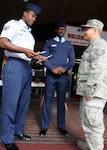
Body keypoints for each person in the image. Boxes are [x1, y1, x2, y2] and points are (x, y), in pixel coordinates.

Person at [0, 3, 46, 150]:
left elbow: (27, 54)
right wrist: (23, 50)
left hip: (26, 67)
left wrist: (36, 56)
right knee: (10, 102)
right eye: (33, 15)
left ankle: (18, 131)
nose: (34, 19)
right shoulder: (13, 25)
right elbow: (3, 42)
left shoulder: (30, 35)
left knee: (24, 102)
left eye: (35, 17)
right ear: (25, 13)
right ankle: (6, 137)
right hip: (14, 66)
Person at [39, 20, 75, 136]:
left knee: (61, 101)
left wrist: (64, 69)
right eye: (60, 29)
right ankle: (44, 127)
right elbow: (43, 58)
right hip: (51, 76)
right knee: (47, 101)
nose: (61, 31)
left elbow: (73, 61)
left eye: (63, 29)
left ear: (65, 31)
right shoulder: (49, 43)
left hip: (63, 76)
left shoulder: (69, 45)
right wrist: (52, 68)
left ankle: (61, 126)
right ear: (56, 30)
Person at [76, 19, 107, 150]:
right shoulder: (93, 45)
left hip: (93, 92)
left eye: (86, 29)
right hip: (89, 92)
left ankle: (96, 148)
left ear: (95, 30)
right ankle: (91, 145)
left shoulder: (100, 45)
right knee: (87, 120)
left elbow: (98, 68)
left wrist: (89, 89)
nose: (84, 32)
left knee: (94, 123)